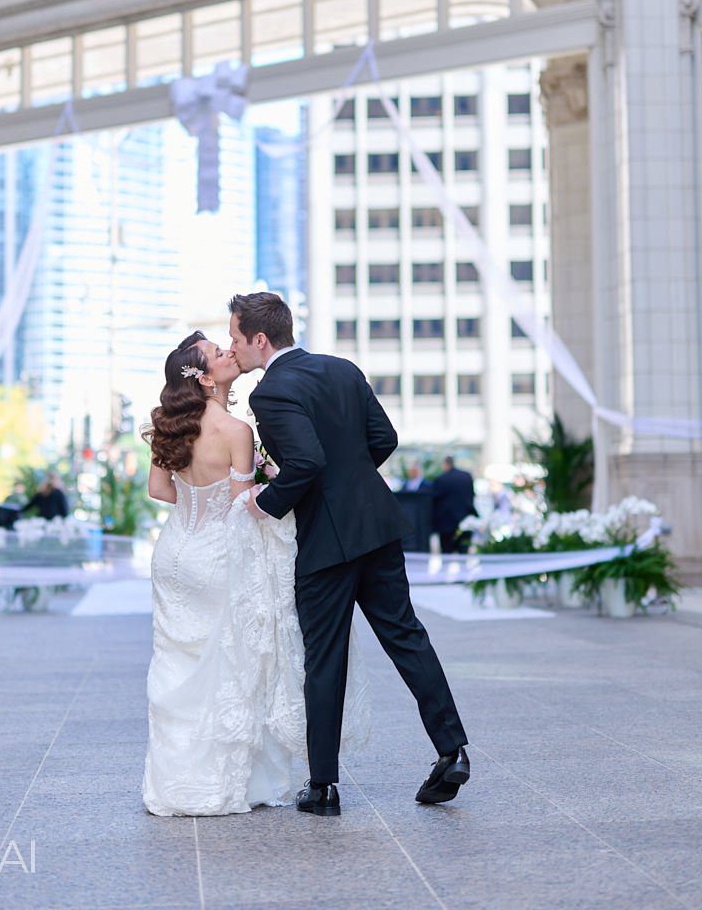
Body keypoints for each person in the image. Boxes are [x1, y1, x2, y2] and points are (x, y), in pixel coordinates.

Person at [229, 292, 469, 817]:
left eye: (235, 337)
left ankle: (323, 788)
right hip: (378, 526)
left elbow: (308, 461)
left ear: (260, 339)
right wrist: (351, 477)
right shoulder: (342, 368)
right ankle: (452, 751)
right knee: (407, 636)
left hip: (327, 543)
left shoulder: (270, 393)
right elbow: (384, 437)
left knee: (325, 658)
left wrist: (266, 501)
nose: (233, 347)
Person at [140, 331, 367, 817]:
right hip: (221, 554)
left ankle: (174, 782)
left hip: (177, 551)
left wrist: (198, 503)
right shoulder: (236, 431)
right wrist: (245, 488)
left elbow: (161, 490)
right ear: (203, 378)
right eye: (218, 354)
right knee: (228, 666)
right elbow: (246, 507)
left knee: (178, 665)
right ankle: (225, 782)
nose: (228, 353)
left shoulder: (165, 424)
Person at [432, 456, 475, 553]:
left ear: (445, 464)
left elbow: (435, 500)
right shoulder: (466, 477)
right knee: (464, 553)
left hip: (446, 524)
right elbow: (472, 496)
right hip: (465, 522)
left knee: (446, 553)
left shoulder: (441, 479)